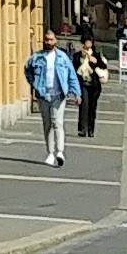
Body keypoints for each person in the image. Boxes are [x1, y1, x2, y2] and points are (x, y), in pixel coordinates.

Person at [28, 32, 82, 167]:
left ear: (55, 41)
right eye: (46, 39)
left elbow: (72, 76)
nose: (48, 42)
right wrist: (34, 84)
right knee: (47, 124)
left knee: (57, 122)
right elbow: (27, 70)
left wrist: (77, 93)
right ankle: (50, 153)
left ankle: (60, 152)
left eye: (51, 40)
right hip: (43, 95)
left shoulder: (63, 58)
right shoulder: (37, 57)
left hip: (58, 95)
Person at [74, 32, 106, 138]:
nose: (88, 44)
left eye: (90, 42)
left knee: (92, 107)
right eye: (86, 42)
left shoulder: (95, 55)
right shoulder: (78, 55)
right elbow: (73, 70)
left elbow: (104, 66)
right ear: (83, 43)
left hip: (94, 85)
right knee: (84, 106)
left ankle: (91, 129)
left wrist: (96, 61)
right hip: (83, 83)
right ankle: (83, 129)